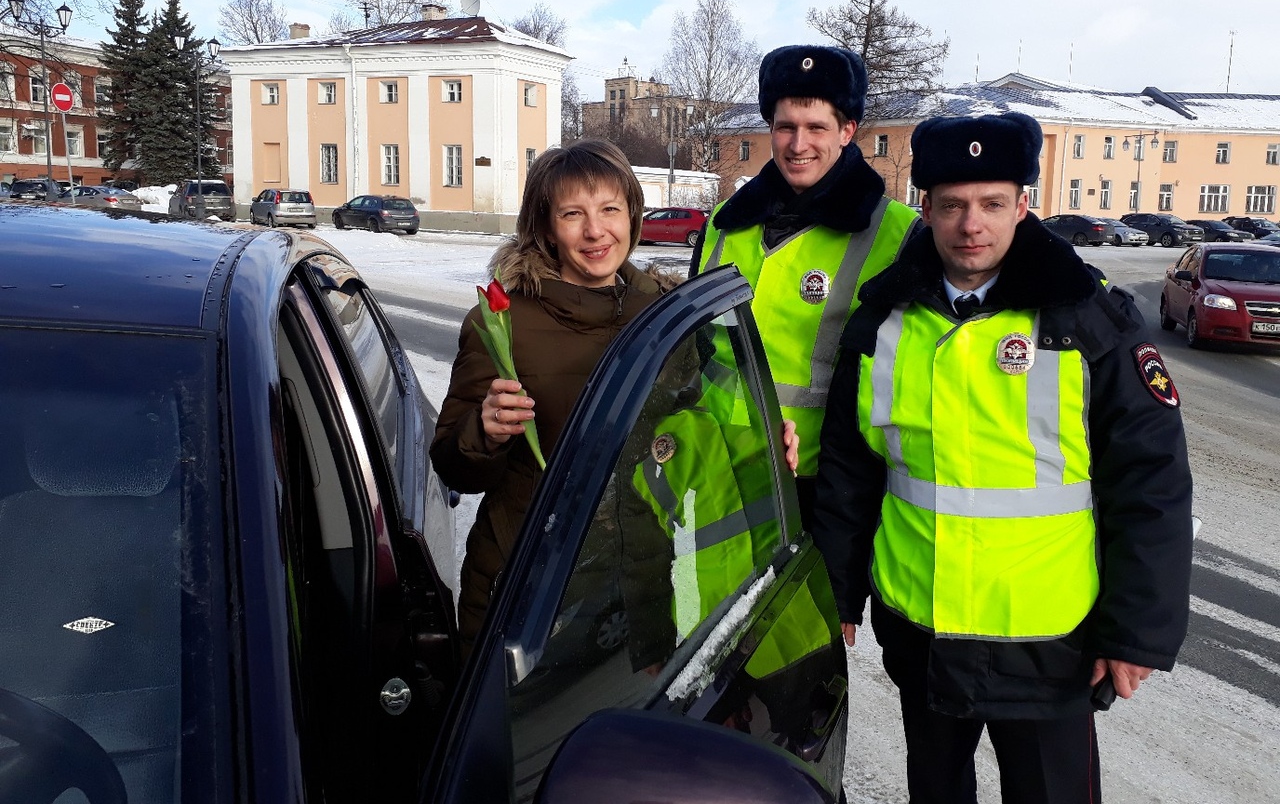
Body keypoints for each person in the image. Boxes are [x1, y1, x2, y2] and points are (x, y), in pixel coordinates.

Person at [812, 112, 1194, 804]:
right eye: (952, 206)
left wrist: (1137, 630)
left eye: (992, 203)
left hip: (1049, 641)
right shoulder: (883, 320)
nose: (971, 225)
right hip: (922, 627)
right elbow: (850, 469)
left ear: (1023, 204)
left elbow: (1150, 482)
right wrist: (838, 592)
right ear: (924, 208)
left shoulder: (1087, 321)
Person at [431, 139, 677, 653]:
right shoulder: (502, 323)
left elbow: (687, 426)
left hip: (634, 579)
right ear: (546, 227)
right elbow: (455, 467)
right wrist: (486, 430)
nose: (595, 230)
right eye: (573, 214)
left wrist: (757, 438)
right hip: (525, 582)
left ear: (631, 215)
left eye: (610, 209)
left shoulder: (661, 313)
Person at [692, 44, 920, 513]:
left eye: (816, 127)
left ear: (847, 131)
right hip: (717, 470)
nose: (799, 145)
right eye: (786, 128)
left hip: (827, 489)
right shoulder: (721, 224)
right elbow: (694, 354)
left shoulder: (898, 234)